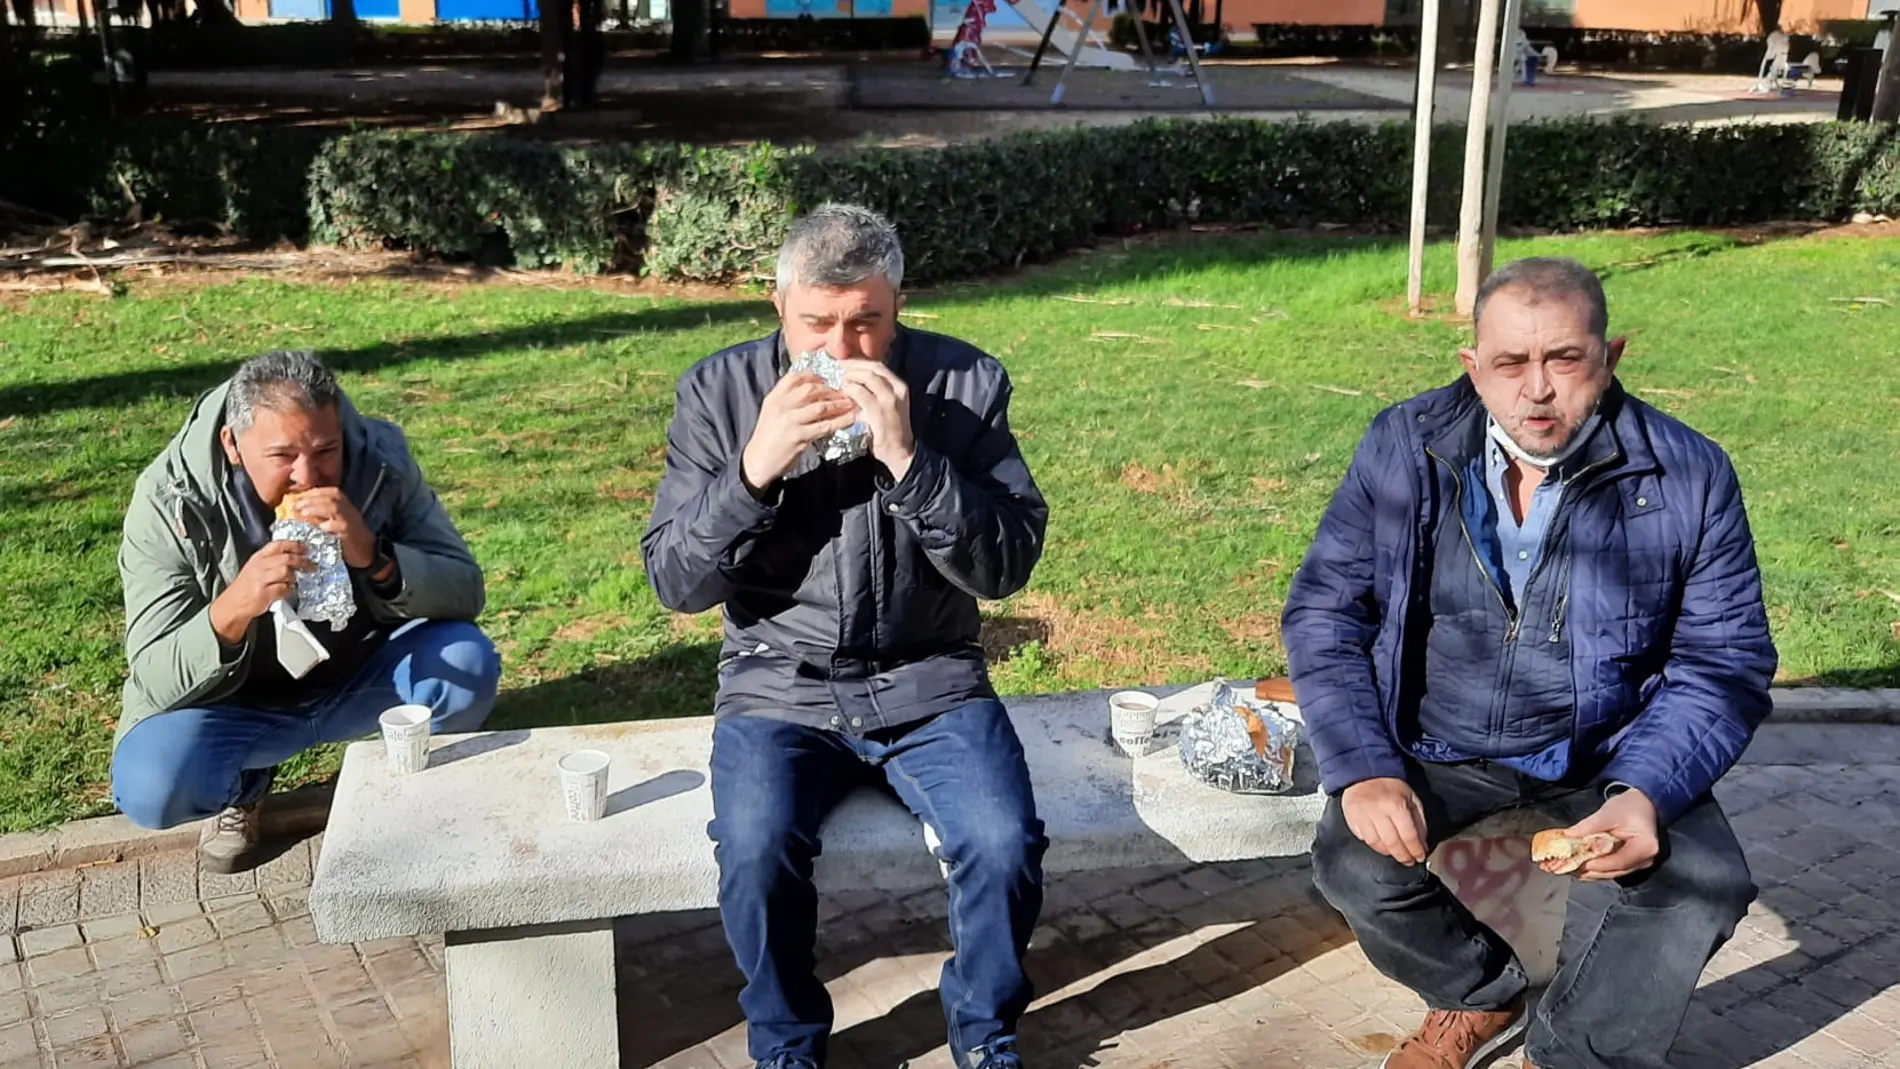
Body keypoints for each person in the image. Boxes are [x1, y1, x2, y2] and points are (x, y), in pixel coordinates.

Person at [1282, 258, 1776, 1069]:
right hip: (1439, 741)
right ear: (1473, 366)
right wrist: (1365, 765)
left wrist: (1645, 791)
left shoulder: (1689, 474)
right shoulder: (1403, 449)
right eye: (1511, 363)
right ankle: (1479, 991)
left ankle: (1578, 1051)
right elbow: (1325, 610)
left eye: (1565, 360)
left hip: (1611, 749)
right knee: (1353, 863)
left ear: (1610, 356)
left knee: (1709, 881)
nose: (1536, 390)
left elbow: (1726, 659)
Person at [642, 203, 1050, 1069]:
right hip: (776, 678)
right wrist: (752, 471)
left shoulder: (965, 384)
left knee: (1002, 840)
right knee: (754, 850)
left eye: (867, 322)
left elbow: (1007, 562)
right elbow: (677, 581)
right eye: (817, 325)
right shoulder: (717, 394)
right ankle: (786, 1043)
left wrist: (912, 461)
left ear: (898, 306)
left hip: (929, 675)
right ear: (778, 308)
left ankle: (985, 1034)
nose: (844, 349)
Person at [112, 350, 500, 873]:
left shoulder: (381, 459)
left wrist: (376, 557)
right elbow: (154, 675)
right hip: (232, 704)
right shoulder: (169, 502)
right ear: (232, 443)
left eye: (325, 450)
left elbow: (466, 590)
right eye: (282, 456)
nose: (306, 476)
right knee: (153, 786)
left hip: (359, 672)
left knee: (467, 666)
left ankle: (388, 785)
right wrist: (232, 609)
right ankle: (245, 788)